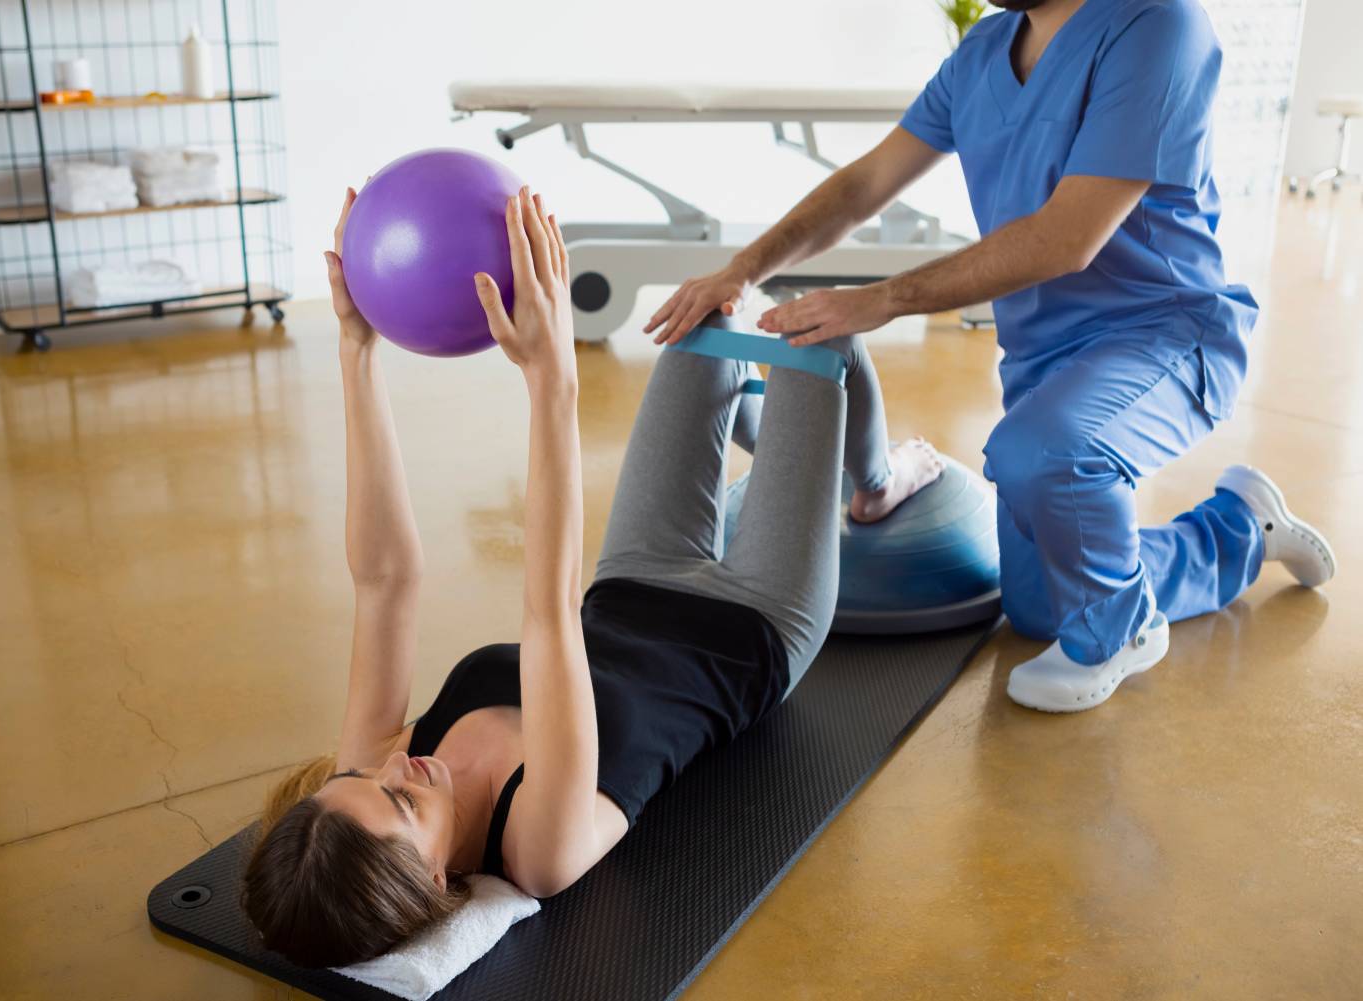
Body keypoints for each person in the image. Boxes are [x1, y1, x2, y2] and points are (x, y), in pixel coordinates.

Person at [239, 185, 942, 967]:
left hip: (638, 575)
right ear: (434, 877)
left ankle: (770, 429)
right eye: (402, 798)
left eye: (366, 776)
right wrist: (550, 376)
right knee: (824, 338)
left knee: (701, 327)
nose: (393, 763)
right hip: (757, 627)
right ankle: (876, 484)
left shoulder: (373, 776)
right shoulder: (541, 846)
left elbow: (384, 578)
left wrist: (355, 347)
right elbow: (547, 612)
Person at [647, 0, 1335, 714]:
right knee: (1039, 606)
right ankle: (1237, 529)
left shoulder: (1159, 25)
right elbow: (864, 185)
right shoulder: (984, 53)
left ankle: (1121, 632)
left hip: (1166, 333)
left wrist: (882, 298)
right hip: (1045, 360)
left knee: (1045, 453)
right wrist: (745, 267)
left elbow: (1068, 237)